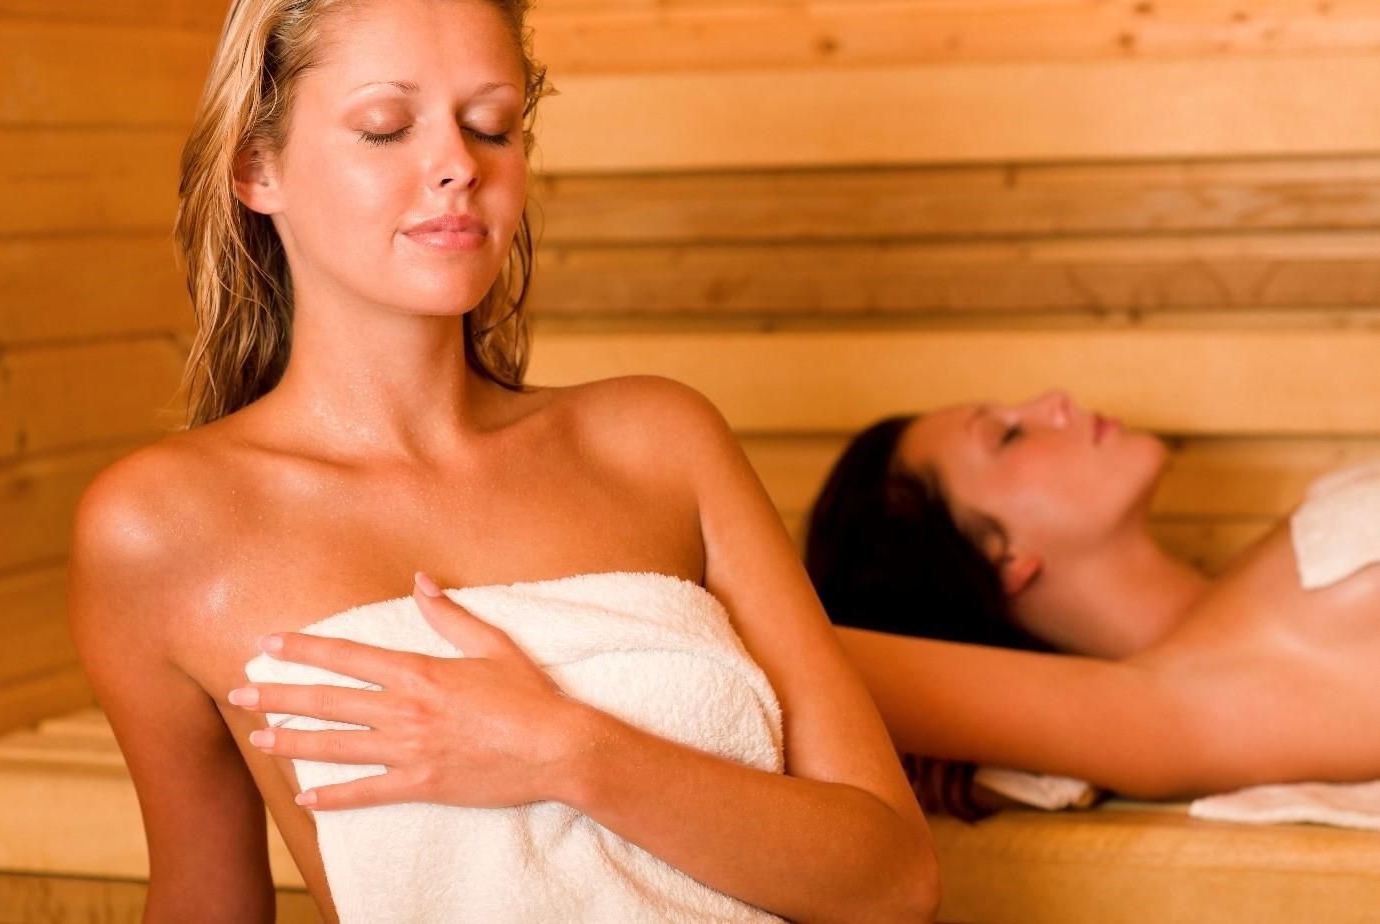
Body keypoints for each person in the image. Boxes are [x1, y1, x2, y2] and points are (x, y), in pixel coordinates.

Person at [66, 1, 940, 922]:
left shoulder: (658, 444)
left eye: (490, 125)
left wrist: (566, 751)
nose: (459, 164)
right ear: (258, 168)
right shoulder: (163, 530)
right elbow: (205, 902)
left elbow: (894, 883)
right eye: (385, 127)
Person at [804, 390, 1380, 815]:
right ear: (1001, 559)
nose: (1055, 401)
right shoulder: (1175, 707)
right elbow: (814, 660)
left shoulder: (1249, 585)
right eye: (1007, 436)